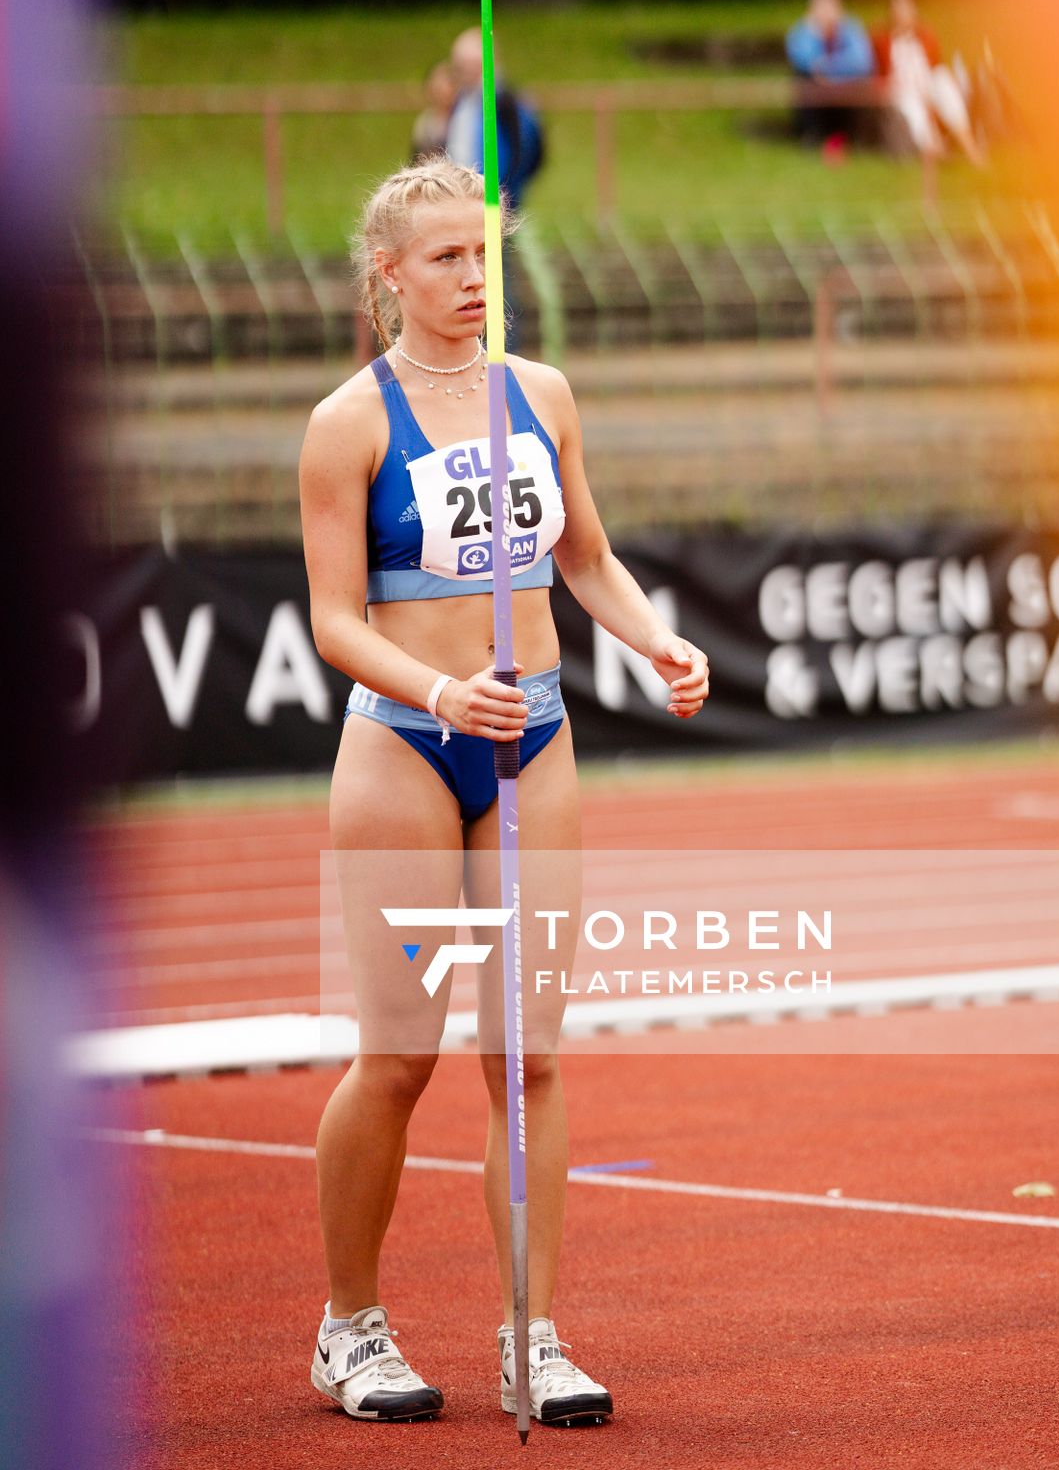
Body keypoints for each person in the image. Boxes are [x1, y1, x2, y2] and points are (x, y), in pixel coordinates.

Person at [299, 158, 709, 1428]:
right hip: (405, 748)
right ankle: (350, 1328)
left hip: (534, 737)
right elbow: (332, 619)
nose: (473, 279)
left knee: (525, 1059)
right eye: (444, 261)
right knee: (398, 1059)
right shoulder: (348, 424)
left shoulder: (541, 393)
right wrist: (434, 698)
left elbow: (583, 555)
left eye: (483, 254)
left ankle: (531, 1336)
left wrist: (654, 641)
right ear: (389, 277)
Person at [870, 0, 986, 166]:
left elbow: (935, 64)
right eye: (898, 8)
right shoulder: (881, 38)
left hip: (928, 80)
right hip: (901, 87)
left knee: (942, 82)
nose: (903, 14)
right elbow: (877, 71)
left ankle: (969, 148)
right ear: (891, 12)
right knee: (912, 108)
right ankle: (936, 149)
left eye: (906, 8)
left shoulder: (926, 35)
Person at [444, 26, 545, 209]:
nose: (460, 72)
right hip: (460, 199)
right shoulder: (462, 100)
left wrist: (506, 192)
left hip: (494, 200)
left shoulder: (507, 103)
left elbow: (529, 151)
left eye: (466, 65)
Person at [784, 0, 876, 152]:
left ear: (838, 9)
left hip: (846, 87)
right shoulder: (804, 30)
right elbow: (802, 60)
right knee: (802, 79)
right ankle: (813, 136)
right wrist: (814, 35)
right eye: (820, 8)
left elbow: (861, 61)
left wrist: (829, 70)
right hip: (817, 89)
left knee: (862, 82)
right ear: (812, 11)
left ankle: (852, 138)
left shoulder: (850, 28)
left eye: (829, 7)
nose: (825, 13)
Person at [408, 61, 456, 163]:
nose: (442, 91)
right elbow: (415, 159)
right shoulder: (424, 122)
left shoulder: (462, 119)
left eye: (447, 84)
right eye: (437, 85)